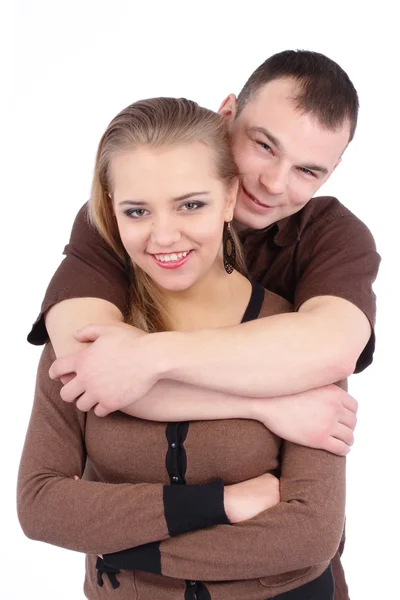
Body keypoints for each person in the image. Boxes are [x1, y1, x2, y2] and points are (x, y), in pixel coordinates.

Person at [27, 50, 380, 598]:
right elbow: (93, 372)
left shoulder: (332, 242)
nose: (274, 182)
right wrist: (264, 404)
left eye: (309, 170)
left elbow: (304, 534)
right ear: (226, 115)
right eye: (264, 145)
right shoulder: (120, 220)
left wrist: (151, 357)